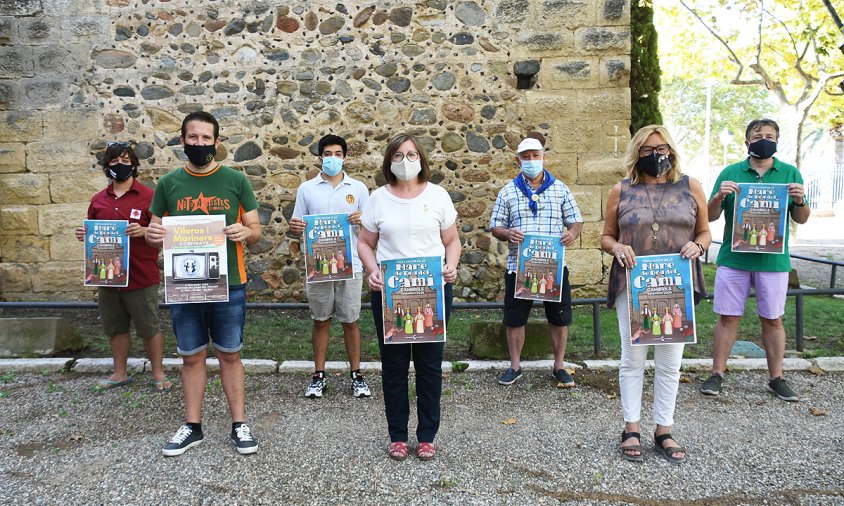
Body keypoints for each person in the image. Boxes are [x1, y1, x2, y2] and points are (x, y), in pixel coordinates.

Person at [146, 111, 262, 457]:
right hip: (185, 284)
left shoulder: (236, 181)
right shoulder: (168, 184)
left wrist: (246, 232)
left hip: (229, 284)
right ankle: (192, 426)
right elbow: (155, 234)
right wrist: (153, 236)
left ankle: (239, 424)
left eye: (206, 138)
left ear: (217, 142)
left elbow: (255, 231)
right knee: (191, 356)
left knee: (230, 354)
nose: (199, 144)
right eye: (192, 138)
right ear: (182, 141)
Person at [601, 125, 710, 464]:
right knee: (632, 359)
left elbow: (705, 232)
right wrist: (618, 246)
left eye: (660, 148)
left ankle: (664, 428)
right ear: (637, 154)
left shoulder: (691, 186)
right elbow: (606, 237)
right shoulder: (621, 190)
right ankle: (630, 426)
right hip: (633, 284)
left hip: (675, 285)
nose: (654, 155)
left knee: (669, 362)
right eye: (646, 150)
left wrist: (698, 245)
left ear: (671, 151)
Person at [358, 134, 461, 461]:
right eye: (399, 155)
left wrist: (452, 266)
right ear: (389, 161)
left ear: (422, 159)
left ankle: (427, 435)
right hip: (390, 294)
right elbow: (364, 242)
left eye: (412, 154)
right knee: (394, 366)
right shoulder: (377, 198)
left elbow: (452, 241)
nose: (405, 161)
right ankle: (398, 436)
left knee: (430, 367)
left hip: (433, 292)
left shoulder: (438, 195)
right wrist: (372, 270)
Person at [700, 119, 810, 402]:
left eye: (770, 135)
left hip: (773, 262)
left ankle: (777, 377)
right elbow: (710, 216)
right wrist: (718, 196)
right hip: (734, 259)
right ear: (747, 142)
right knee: (728, 317)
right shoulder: (731, 172)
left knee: (773, 319)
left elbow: (801, 218)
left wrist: (800, 201)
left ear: (777, 141)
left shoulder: (789, 173)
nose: (764, 139)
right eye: (758, 135)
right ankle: (717, 373)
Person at [75, 142, 171, 393]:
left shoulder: (150, 197)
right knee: (115, 326)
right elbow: (93, 234)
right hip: (108, 276)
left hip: (141, 274)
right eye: (115, 161)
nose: (121, 166)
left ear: (134, 165)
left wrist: (144, 230)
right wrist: (84, 234)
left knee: (149, 327)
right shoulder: (98, 200)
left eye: (126, 161)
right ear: (107, 166)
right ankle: (119, 372)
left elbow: (166, 232)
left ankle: (158, 373)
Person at [489, 137, 583, 386]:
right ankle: (515, 366)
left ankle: (559, 366)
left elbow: (576, 220)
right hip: (518, 266)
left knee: (559, 317)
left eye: (535, 155)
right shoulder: (507, 191)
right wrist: (507, 233)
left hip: (553, 266)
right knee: (515, 319)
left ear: (544, 157)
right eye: (526, 156)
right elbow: (495, 225)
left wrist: (571, 233)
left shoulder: (560, 189)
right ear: (517, 159)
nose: (531, 161)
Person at [288, 134, 371, 399]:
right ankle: (318, 375)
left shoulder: (358, 188)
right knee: (321, 320)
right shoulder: (306, 189)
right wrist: (294, 227)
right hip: (319, 265)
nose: (332, 158)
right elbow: (295, 225)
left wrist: (362, 220)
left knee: (351, 320)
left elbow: (371, 229)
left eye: (337, 153)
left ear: (345, 157)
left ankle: (357, 375)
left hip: (351, 263)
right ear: (319, 157)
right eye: (327, 153)